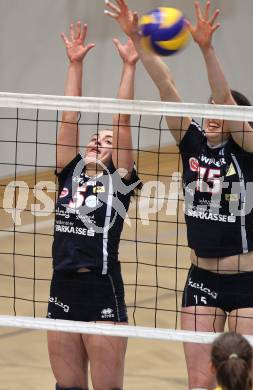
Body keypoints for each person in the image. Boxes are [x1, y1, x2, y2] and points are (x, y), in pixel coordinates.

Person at [105, 1, 253, 389]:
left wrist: (206, 49)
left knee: (246, 383)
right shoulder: (190, 140)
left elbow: (225, 98)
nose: (213, 112)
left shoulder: (245, 150)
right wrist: (137, 39)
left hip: (246, 283)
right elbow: (167, 85)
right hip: (200, 280)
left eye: (221, 109)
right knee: (198, 382)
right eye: (208, 106)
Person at [47, 21, 140, 390]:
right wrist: (75, 64)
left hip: (102, 290)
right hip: (62, 288)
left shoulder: (119, 183)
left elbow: (122, 121)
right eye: (94, 138)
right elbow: (70, 115)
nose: (98, 142)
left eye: (107, 141)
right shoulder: (68, 171)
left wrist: (129, 66)